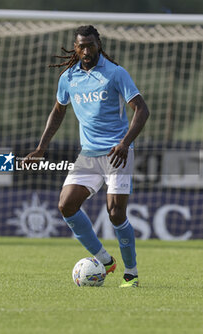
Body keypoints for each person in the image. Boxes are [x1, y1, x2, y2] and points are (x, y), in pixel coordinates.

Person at [24, 25, 149, 288]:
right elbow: (58, 112)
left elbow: (142, 110)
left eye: (91, 45)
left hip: (117, 153)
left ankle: (131, 273)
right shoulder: (69, 78)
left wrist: (125, 143)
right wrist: (41, 148)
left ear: (98, 45)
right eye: (81, 46)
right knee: (66, 205)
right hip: (89, 155)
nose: (86, 50)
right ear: (76, 47)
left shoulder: (115, 73)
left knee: (115, 214)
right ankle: (105, 260)